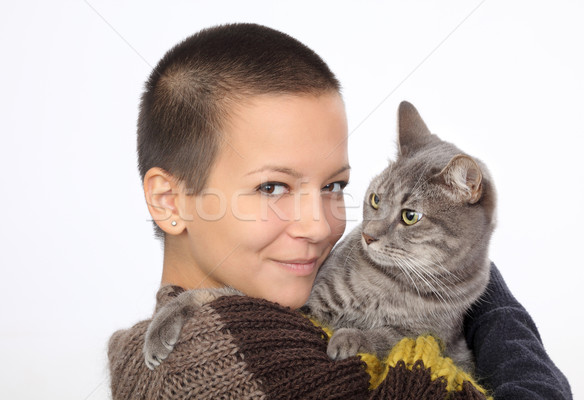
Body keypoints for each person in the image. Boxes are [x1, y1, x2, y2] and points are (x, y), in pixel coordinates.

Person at [108, 23, 571, 399]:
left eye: (335, 185)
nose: (320, 225)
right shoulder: (255, 372)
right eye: (273, 186)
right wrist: (501, 321)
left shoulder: (265, 312)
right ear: (170, 201)